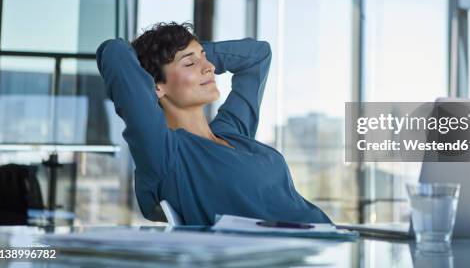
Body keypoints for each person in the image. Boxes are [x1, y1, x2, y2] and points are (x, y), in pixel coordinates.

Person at [96, 22, 331, 225]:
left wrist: (191, 54)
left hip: (331, 243)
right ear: (156, 86)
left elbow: (258, 54)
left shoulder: (232, 131)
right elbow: (114, 52)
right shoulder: (166, 151)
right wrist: (159, 58)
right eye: (190, 64)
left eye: (205, 57)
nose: (209, 67)